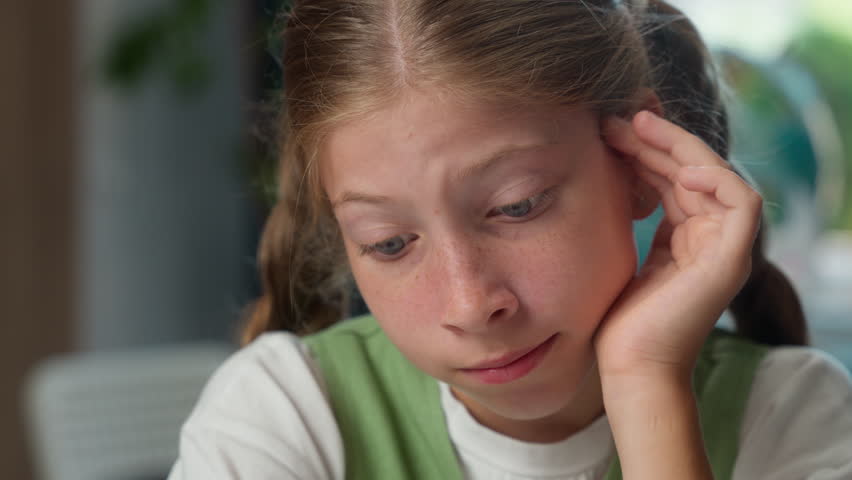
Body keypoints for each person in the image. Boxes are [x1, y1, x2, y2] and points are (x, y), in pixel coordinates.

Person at [167, 0, 852, 478]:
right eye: (389, 243)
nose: (470, 303)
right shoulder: (286, 414)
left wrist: (646, 382)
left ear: (638, 162)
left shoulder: (790, 415)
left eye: (517, 206)